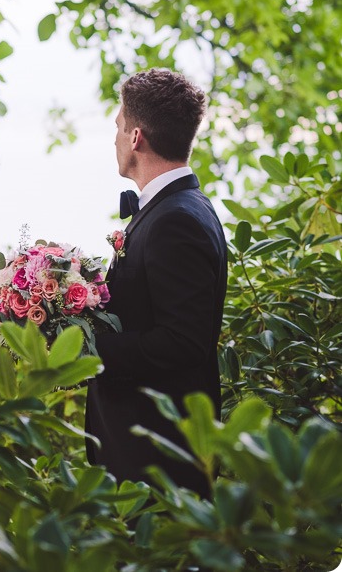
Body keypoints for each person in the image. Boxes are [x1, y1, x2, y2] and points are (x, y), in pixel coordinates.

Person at [86, 69, 227, 499]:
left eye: (118, 126)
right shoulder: (174, 208)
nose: (113, 138)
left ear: (135, 137)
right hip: (142, 454)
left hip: (158, 461)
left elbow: (182, 342)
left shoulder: (177, 219)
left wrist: (88, 347)